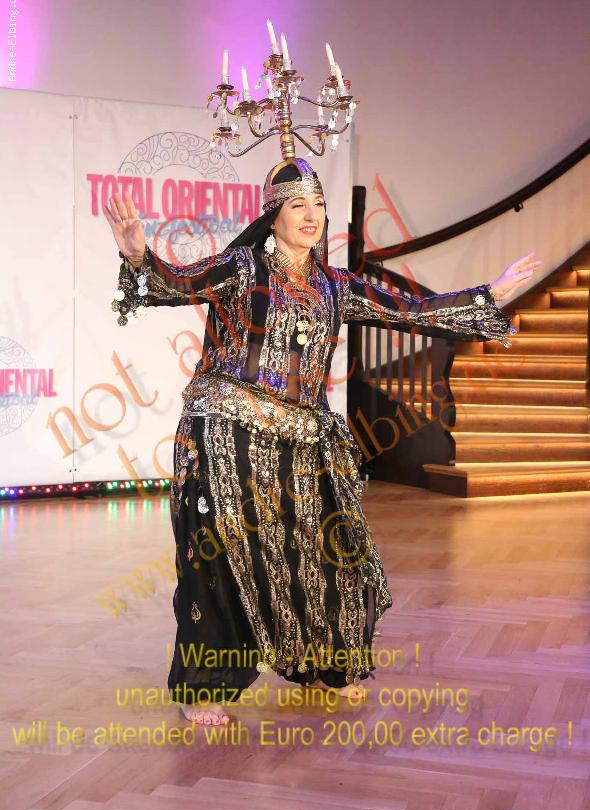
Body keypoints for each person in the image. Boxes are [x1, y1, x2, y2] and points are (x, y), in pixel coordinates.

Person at [103, 157, 541, 726]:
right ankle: (206, 685)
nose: (311, 216)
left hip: (302, 439)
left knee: (324, 551)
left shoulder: (336, 286)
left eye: (318, 205)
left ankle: (321, 664)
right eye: (297, 206)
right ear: (273, 215)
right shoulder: (242, 268)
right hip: (226, 436)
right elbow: (179, 282)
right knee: (223, 558)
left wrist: (489, 295)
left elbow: (412, 311)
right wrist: (140, 255)